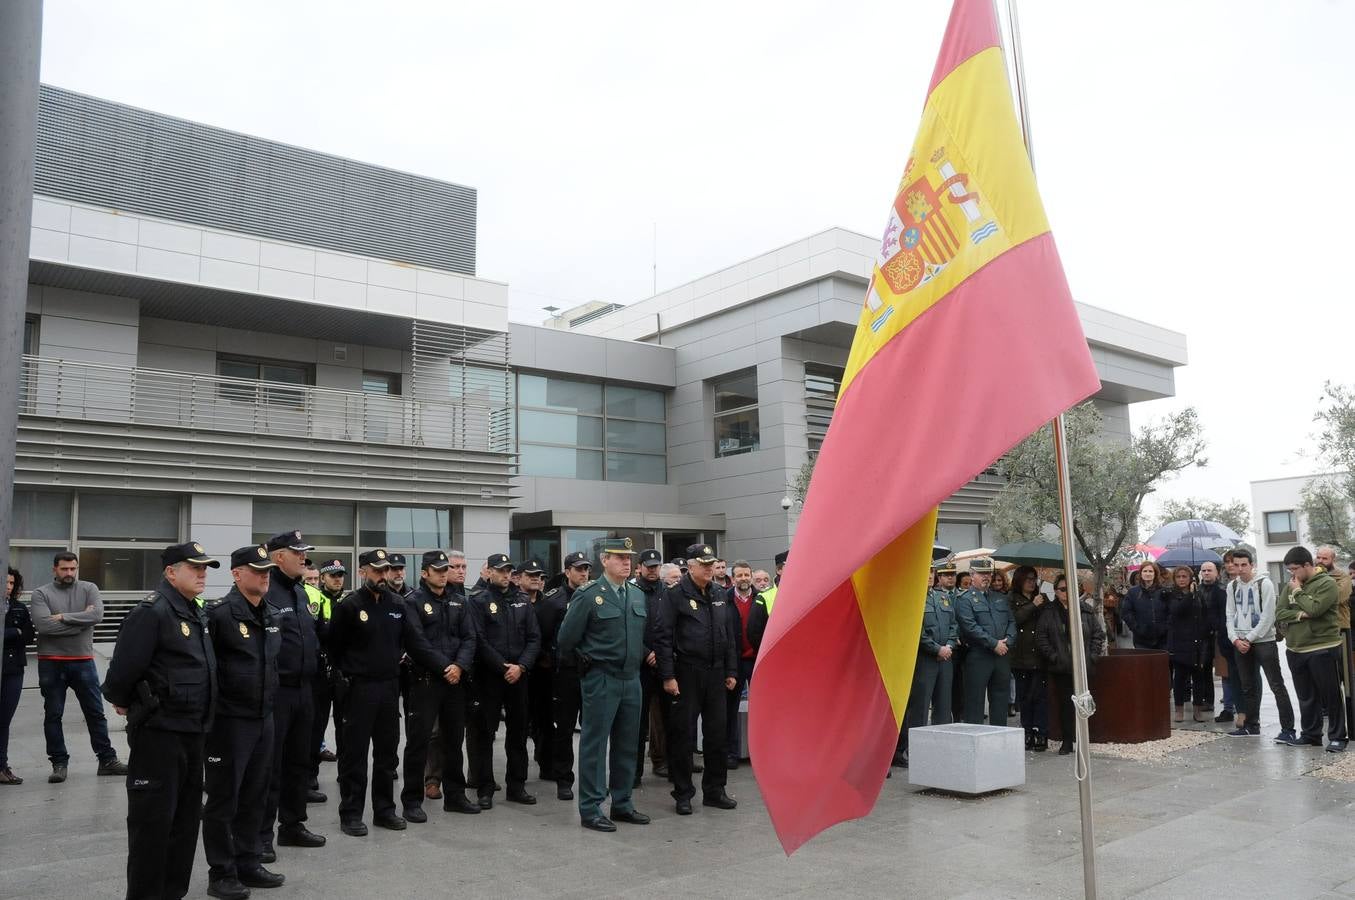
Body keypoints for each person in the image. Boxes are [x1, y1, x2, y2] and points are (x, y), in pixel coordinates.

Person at [102, 541, 220, 900]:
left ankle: (172, 893)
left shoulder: (192, 611)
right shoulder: (152, 612)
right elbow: (121, 673)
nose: (202, 573)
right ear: (170, 572)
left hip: (192, 733)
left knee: (184, 825)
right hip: (160, 736)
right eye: (194, 567)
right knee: (152, 827)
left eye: (204, 568)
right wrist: (126, 702)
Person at [328, 549, 456, 835]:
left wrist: (445, 666)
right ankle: (351, 813)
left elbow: (416, 644)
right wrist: (349, 674)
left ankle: (384, 810)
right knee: (355, 755)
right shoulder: (349, 606)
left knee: (387, 755)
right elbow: (333, 647)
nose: (383, 575)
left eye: (386, 570)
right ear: (362, 571)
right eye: (377, 570)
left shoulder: (397, 604)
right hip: (358, 689)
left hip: (389, 688)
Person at [202, 546, 285, 899]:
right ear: (237, 574)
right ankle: (221, 871)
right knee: (224, 799)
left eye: (267, 569)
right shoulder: (219, 615)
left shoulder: (270, 612)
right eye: (257, 570)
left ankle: (248, 861)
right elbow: (208, 670)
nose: (265, 575)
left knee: (256, 794)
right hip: (229, 722)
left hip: (263, 717)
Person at [556, 538, 650, 832]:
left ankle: (622, 802)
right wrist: (588, 665)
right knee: (595, 745)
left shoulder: (635, 595)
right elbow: (566, 639)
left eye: (628, 558)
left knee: (627, 743)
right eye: (619, 557)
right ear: (605, 560)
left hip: (631, 679)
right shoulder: (588, 595)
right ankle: (591, 807)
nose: (626, 562)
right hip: (601, 678)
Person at [654, 543, 738, 815]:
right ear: (690, 567)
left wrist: (731, 671)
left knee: (717, 735)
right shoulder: (675, 595)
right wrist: (667, 675)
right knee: (683, 736)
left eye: (711, 564)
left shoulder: (719, 593)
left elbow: (729, 635)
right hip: (687, 673)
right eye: (703, 565)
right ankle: (683, 793)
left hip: (716, 672)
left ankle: (715, 790)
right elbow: (663, 636)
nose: (709, 568)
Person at [259, 530, 327, 862]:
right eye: (296, 551)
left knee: (299, 762)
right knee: (270, 767)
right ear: (277, 556)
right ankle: (261, 836)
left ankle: (292, 825)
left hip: (305, 690)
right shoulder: (265, 589)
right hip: (277, 692)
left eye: (304, 552)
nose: (303, 556)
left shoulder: (301, 592)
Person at [30, 551, 126, 783]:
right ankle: (59, 763)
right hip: (51, 662)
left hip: (83, 661)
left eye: (73, 568)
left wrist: (61, 617)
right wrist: (80, 622)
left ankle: (107, 760)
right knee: (53, 714)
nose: (69, 573)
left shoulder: (89, 588)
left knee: (95, 713)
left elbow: (98, 615)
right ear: (55, 569)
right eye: (64, 569)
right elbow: (44, 627)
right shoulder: (41, 593)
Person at [401, 550, 480, 819]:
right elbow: (416, 642)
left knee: (453, 740)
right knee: (419, 741)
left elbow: (470, 638)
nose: (444, 573)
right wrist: (445, 667)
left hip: (455, 682)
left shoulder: (459, 601)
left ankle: (455, 795)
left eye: (446, 569)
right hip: (426, 681)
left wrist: (459, 666)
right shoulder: (412, 602)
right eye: (438, 570)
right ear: (425, 573)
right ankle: (412, 800)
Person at [468, 553, 542, 809]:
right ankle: (485, 787)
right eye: (500, 570)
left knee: (518, 733)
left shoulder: (522, 600)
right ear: (489, 572)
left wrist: (521, 666)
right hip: (490, 677)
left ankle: (516, 786)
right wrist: (503, 668)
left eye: (508, 570)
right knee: (485, 734)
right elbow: (478, 640)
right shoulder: (478, 601)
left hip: (519, 677)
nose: (505, 575)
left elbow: (534, 638)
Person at [1275, 547, 1346, 751]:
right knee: (1306, 696)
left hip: (1322, 647)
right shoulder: (1290, 584)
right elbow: (1279, 612)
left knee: (1330, 695)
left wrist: (1298, 593)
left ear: (1308, 565)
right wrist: (1300, 615)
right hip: (1296, 649)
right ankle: (1311, 734)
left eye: (1295, 568)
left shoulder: (1327, 583)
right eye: (1289, 570)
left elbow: (1316, 609)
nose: (1292, 574)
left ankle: (1338, 736)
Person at [1226, 547, 1296, 740]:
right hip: (1240, 642)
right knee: (1247, 686)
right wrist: (1235, 639)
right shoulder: (1232, 586)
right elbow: (1229, 615)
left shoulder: (1264, 584)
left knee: (1276, 685)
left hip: (1264, 642)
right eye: (1236, 565)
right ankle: (1251, 725)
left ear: (1252, 565)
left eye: (1244, 565)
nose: (1240, 569)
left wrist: (1248, 638)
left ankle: (1288, 730)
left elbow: (1268, 616)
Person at [898, 560, 960, 767]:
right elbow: (916, 632)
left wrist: (949, 646)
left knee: (943, 706)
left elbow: (953, 624)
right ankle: (916, 750)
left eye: (932, 571)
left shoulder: (942, 597)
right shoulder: (911, 598)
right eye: (926, 572)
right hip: (925, 660)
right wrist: (937, 649)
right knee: (920, 707)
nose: (930, 575)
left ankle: (940, 749)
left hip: (945, 659)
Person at [1035, 573, 1106, 755]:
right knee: (1065, 705)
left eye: (1070, 589)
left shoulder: (1085, 609)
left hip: (1084, 666)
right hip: (1062, 667)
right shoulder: (1049, 611)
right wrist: (1054, 657)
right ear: (1056, 592)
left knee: (1085, 703)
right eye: (1062, 589)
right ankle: (1067, 740)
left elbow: (1098, 635)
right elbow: (1041, 637)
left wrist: (1092, 656)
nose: (1066, 593)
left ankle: (1083, 739)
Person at [539, 551, 590, 800]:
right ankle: (563, 779)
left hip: (592, 672)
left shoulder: (594, 596)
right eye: (578, 569)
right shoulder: (553, 600)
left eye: (586, 569)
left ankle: (592, 779)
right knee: (565, 729)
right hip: (565, 673)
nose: (583, 573)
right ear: (567, 571)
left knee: (593, 729)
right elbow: (543, 636)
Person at [955, 558, 1016, 726]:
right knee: (974, 703)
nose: (986, 577)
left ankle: (998, 743)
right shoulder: (964, 599)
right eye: (982, 573)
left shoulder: (1000, 598)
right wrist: (994, 644)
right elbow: (970, 627)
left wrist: (1008, 641)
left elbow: (1011, 622)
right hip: (978, 656)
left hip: (1001, 656)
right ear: (972, 575)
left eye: (988, 573)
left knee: (1000, 702)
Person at [519, 558, 558, 786]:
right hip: (520, 670)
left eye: (539, 575)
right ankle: (519, 773)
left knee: (546, 721)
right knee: (520, 724)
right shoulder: (512, 602)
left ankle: (547, 765)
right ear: (520, 577)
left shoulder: (548, 604)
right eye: (530, 574)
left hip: (543, 671)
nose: (535, 579)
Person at [631, 548, 667, 786]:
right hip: (640, 665)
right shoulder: (631, 592)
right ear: (640, 567)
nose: (653, 570)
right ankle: (634, 773)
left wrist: (662, 654)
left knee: (667, 719)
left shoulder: (669, 592)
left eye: (656, 566)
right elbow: (629, 628)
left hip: (664, 664)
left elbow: (672, 628)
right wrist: (646, 653)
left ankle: (665, 762)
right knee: (637, 722)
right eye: (649, 566)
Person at [311, 558, 346, 777]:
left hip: (343, 670)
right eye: (332, 575)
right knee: (317, 724)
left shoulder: (349, 601)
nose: (337, 579)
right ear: (323, 577)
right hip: (320, 670)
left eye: (340, 575)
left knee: (345, 724)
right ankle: (310, 774)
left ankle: (345, 772)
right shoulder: (315, 599)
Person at [1008, 566, 1050, 751]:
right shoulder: (1011, 599)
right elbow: (1014, 620)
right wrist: (1033, 605)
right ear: (1019, 580)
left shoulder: (1043, 599)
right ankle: (1027, 731)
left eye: (1034, 579)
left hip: (1039, 654)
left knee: (1040, 696)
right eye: (1028, 579)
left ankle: (1041, 732)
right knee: (1024, 696)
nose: (1032, 582)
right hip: (1020, 655)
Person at [1165, 565, 1213, 723]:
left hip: (1197, 642)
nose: (1181, 580)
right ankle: (1179, 710)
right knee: (1179, 678)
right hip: (1179, 642)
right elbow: (1177, 610)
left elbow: (1205, 614)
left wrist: (1205, 632)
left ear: (1190, 578)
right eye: (1178, 577)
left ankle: (1197, 709)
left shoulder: (1198, 595)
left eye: (1184, 576)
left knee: (1199, 678)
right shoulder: (1171, 594)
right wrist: (1189, 595)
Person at [2, 567, 36, 785]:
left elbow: (30, 635)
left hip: (13, 669)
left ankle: (1, 766)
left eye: (12, 583)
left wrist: (18, 634)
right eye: (5, 582)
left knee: (3, 721)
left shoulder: (18, 608)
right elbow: (20, 633)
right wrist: (14, 633)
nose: (8, 587)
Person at [724, 560, 759, 769]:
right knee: (731, 709)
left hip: (756, 660)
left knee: (760, 709)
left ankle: (759, 753)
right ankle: (731, 753)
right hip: (734, 662)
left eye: (747, 575)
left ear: (751, 576)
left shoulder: (761, 598)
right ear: (732, 578)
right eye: (739, 575)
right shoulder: (724, 599)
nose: (744, 579)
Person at [1315, 546, 1353, 730]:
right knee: (1326, 678)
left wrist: (1317, 596)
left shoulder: (1342, 577)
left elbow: (1337, 597)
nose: (1321, 561)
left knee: (1345, 676)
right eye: (1319, 557)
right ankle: (1329, 712)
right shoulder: (1312, 577)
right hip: (1321, 633)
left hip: (1341, 630)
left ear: (1333, 559)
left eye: (1325, 558)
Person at [1121, 561, 1169, 651]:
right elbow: (1126, 613)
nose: (1148, 574)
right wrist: (1136, 628)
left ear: (1155, 574)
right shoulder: (1133, 592)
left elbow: (1170, 611)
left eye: (1151, 571)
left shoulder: (1164, 591)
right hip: (1141, 640)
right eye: (1145, 571)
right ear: (1141, 573)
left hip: (1162, 640)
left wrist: (1165, 628)